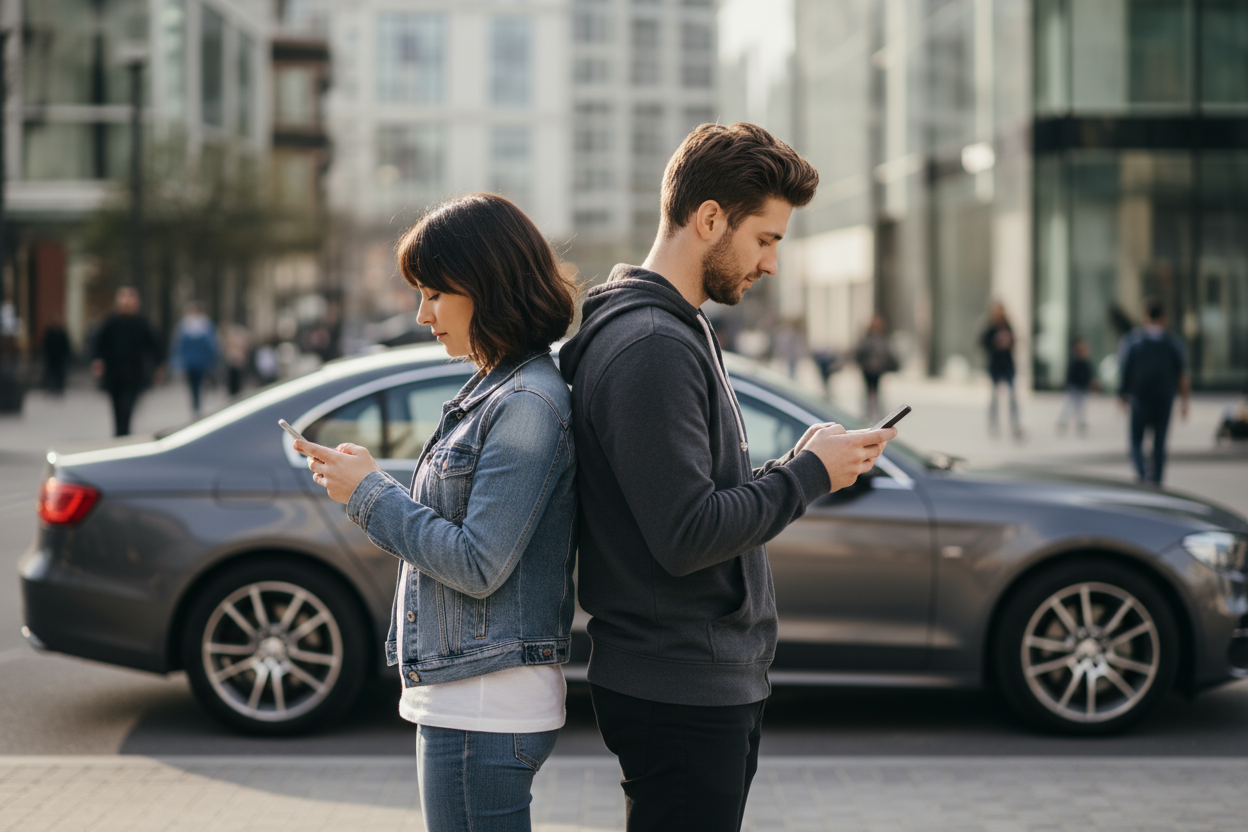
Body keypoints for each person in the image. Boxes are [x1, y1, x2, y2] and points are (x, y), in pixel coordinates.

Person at [557, 122, 897, 832]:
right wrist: (808, 475)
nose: (771, 263)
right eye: (765, 239)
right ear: (709, 218)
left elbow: (689, 498)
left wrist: (795, 465)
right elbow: (686, 534)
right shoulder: (650, 345)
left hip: (691, 676)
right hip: (679, 684)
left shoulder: (672, 328)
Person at [292, 194, 578, 832]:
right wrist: (370, 479)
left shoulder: (527, 402)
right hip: (471, 693)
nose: (421, 315)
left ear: (487, 286)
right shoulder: (497, 386)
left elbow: (479, 563)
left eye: (434, 294)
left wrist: (369, 493)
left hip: (486, 702)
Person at [1119, 298, 1189, 485]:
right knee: (1159, 445)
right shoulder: (1172, 342)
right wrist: (1185, 402)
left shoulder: (1134, 341)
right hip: (1164, 399)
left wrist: (1122, 396)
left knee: (1135, 442)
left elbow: (1125, 370)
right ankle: (1156, 480)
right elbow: (1182, 375)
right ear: (1163, 318)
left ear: (1145, 317)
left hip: (1141, 399)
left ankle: (1143, 473)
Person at [92, 286, 164, 437]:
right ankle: (119, 434)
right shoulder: (111, 322)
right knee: (117, 409)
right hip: (114, 375)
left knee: (127, 408)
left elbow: (154, 345)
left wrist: (159, 366)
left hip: (134, 375)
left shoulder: (141, 323)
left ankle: (124, 434)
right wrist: (98, 362)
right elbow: (99, 344)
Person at [981, 300, 1023, 439]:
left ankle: (1015, 425)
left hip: (1007, 366)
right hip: (995, 367)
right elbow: (983, 342)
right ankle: (993, 425)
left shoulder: (1007, 326)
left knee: (1012, 398)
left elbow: (1014, 343)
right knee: (994, 399)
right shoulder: (990, 328)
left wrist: (1009, 342)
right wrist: (995, 342)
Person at [172, 301, 219, 417]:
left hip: (200, 363)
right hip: (192, 363)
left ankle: (196, 405)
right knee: (194, 386)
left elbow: (211, 346)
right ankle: (196, 406)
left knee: (198, 385)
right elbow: (179, 347)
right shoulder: (191, 326)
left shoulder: (190, 326)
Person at [855, 313, 897, 423]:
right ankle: (866, 414)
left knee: (877, 393)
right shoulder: (866, 337)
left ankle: (878, 415)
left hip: (878, 369)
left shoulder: (883, 337)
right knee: (868, 392)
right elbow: (859, 351)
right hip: (868, 369)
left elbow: (888, 353)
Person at [1057, 337, 1095, 436]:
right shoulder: (1075, 362)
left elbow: (1089, 375)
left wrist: (1089, 383)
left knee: (1081, 407)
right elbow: (1070, 375)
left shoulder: (1086, 363)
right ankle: (1064, 421)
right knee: (1070, 405)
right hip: (1075, 388)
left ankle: (1081, 422)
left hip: (1082, 388)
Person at [41, 318, 72, 395]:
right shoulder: (50, 333)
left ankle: (59, 387)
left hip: (59, 358)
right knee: (52, 373)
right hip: (52, 358)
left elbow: (66, 346)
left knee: (59, 374)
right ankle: (51, 387)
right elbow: (45, 345)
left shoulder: (61, 333)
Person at [221, 323, 251, 397]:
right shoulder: (233, 340)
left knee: (237, 382)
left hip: (238, 363)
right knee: (233, 381)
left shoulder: (239, 340)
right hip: (234, 362)